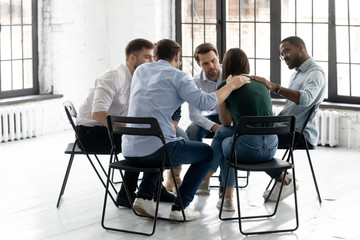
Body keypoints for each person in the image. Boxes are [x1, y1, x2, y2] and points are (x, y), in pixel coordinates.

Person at [122, 39, 250, 221]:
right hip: (156, 151)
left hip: (129, 149)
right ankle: (180, 207)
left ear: (156, 56)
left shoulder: (140, 71)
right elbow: (205, 102)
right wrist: (231, 85)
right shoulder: (178, 76)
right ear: (177, 56)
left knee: (161, 142)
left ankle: (144, 196)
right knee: (206, 153)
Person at [76, 38, 174, 209]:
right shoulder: (113, 77)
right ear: (132, 58)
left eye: (153, 57)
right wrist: (132, 129)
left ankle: (154, 189)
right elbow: (98, 114)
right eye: (147, 57)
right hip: (90, 132)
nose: (152, 61)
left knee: (155, 138)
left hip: (107, 130)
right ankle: (126, 194)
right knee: (140, 140)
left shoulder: (139, 78)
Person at [197, 48, 288, 211]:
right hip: (272, 147)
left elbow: (225, 122)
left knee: (225, 143)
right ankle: (213, 187)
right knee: (226, 136)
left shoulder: (227, 85)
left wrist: (222, 95)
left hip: (248, 149)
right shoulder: (262, 84)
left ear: (226, 65)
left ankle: (218, 190)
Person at [251, 36, 326, 201]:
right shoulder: (296, 75)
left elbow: (306, 99)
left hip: (301, 134)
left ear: (300, 47)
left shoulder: (315, 73)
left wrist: (274, 86)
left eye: (286, 51)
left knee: (255, 144)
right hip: (288, 128)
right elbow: (292, 108)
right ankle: (283, 177)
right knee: (252, 137)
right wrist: (272, 120)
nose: (284, 56)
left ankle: (284, 179)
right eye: (281, 54)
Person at [165, 42, 223, 194]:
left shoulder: (229, 76)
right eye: (205, 63)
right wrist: (213, 126)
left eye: (213, 61)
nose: (211, 66)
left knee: (227, 134)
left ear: (218, 57)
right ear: (198, 64)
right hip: (209, 119)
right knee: (192, 129)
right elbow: (194, 114)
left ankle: (224, 181)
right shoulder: (195, 82)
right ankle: (200, 176)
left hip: (228, 118)